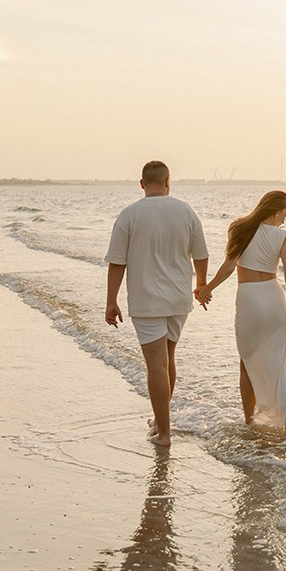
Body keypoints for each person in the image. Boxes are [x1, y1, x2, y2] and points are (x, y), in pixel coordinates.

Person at [105, 160, 209, 448]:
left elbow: (117, 262)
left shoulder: (129, 214)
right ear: (167, 181)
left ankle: (164, 433)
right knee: (167, 359)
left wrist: (111, 300)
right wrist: (201, 285)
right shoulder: (186, 211)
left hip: (147, 300)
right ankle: (160, 420)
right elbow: (201, 254)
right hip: (178, 298)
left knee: (156, 366)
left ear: (141, 184)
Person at [196, 190, 286, 433]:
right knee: (278, 364)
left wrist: (206, 289)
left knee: (247, 361)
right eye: (285, 215)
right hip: (274, 299)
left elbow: (228, 267)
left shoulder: (239, 228)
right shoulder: (283, 237)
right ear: (276, 211)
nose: (284, 220)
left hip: (249, 299)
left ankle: (249, 421)